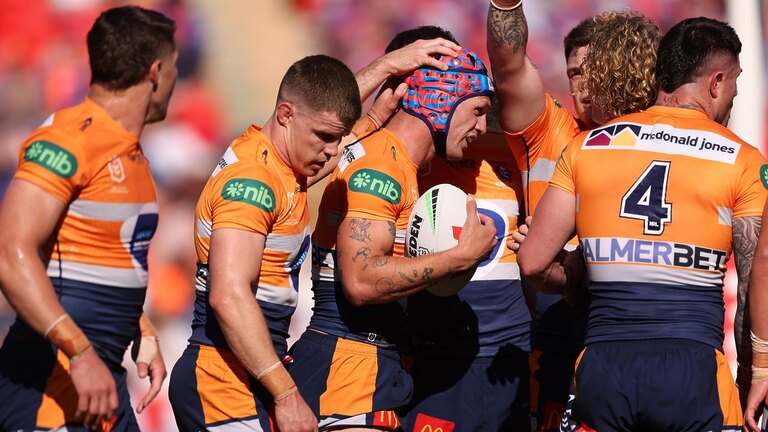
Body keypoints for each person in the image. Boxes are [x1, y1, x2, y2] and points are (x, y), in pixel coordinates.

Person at [517, 17, 765, 431]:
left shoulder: (588, 146)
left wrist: (581, 275)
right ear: (717, 81)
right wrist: (753, 373)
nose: (734, 99)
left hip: (603, 365)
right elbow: (755, 281)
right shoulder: (743, 160)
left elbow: (533, 262)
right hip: (693, 370)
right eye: (735, 86)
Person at [287, 46, 498, 430]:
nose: (483, 128)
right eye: (477, 110)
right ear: (443, 100)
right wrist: (460, 257)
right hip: (348, 369)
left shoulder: (398, 163)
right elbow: (360, 280)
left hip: (365, 363)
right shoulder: (383, 166)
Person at [0, 5, 176, 431]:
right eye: (174, 66)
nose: (175, 78)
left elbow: (99, 255)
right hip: (50, 384)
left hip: (102, 377)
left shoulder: (128, 151)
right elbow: (10, 253)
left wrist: (142, 328)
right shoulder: (66, 139)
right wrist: (80, 353)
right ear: (155, 72)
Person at [487, 2, 660, 429]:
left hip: (637, 322)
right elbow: (509, 62)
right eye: (574, 74)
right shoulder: (550, 129)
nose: (584, 86)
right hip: (559, 324)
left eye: (593, 71)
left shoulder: (660, 140)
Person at [167, 54, 361, 432]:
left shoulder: (280, 165)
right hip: (222, 375)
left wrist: (386, 68)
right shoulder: (254, 183)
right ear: (286, 114)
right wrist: (286, 394)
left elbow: (329, 113)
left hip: (249, 370)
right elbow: (228, 294)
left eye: (338, 138)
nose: (333, 150)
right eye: (324, 137)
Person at [361, 26, 531, 432]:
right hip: (431, 361)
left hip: (511, 361)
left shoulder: (506, 138)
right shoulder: (387, 154)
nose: (480, 122)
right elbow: (321, 125)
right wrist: (382, 71)